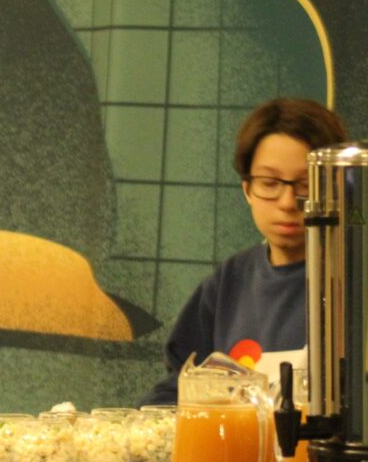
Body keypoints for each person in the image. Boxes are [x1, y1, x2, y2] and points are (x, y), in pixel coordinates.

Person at [140, 98, 349, 405]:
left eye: (306, 184)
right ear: (247, 189)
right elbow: (179, 390)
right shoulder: (228, 281)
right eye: (270, 183)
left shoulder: (354, 279)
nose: (288, 202)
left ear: (336, 187)